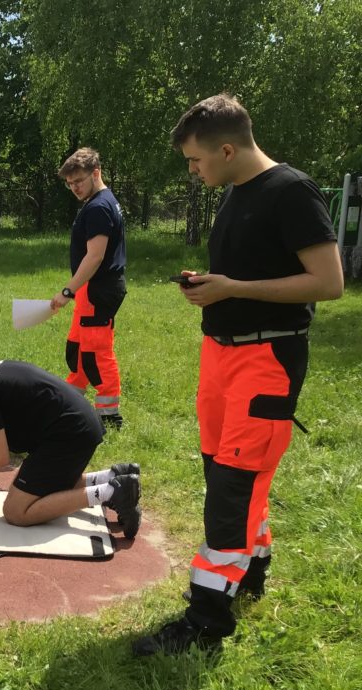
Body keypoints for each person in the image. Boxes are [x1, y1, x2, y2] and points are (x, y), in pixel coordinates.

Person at [133, 94, 344, 657]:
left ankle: (206, 623)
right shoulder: (233, 193)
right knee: (225, 473)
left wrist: (234, 289)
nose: (193, 170)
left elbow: (329, 282)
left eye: (197, 161)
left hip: (267, 359)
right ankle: (250, 569)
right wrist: (210, 287)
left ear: (228, 149)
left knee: (232, 487)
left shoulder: (292, 191)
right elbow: (248, 272)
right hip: (220, 354)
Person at [0, 349, 141, 536]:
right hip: (77, 424)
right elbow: (0, 437)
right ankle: (109, 477)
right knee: (34, 487)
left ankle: (111, 492)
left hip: (69, 435)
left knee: (16, 511)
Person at [51, 148, 128, 430]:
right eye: (70, 184)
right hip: (91, 289)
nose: (74, 188)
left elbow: (94, 256)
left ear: (96, 173)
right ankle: (73, 400)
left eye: (79, 181)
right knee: (78, 346)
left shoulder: (98, 207)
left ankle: (109, 417)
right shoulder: (99, 201)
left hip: (98, 290)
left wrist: (67, 291)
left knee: (96, 351)